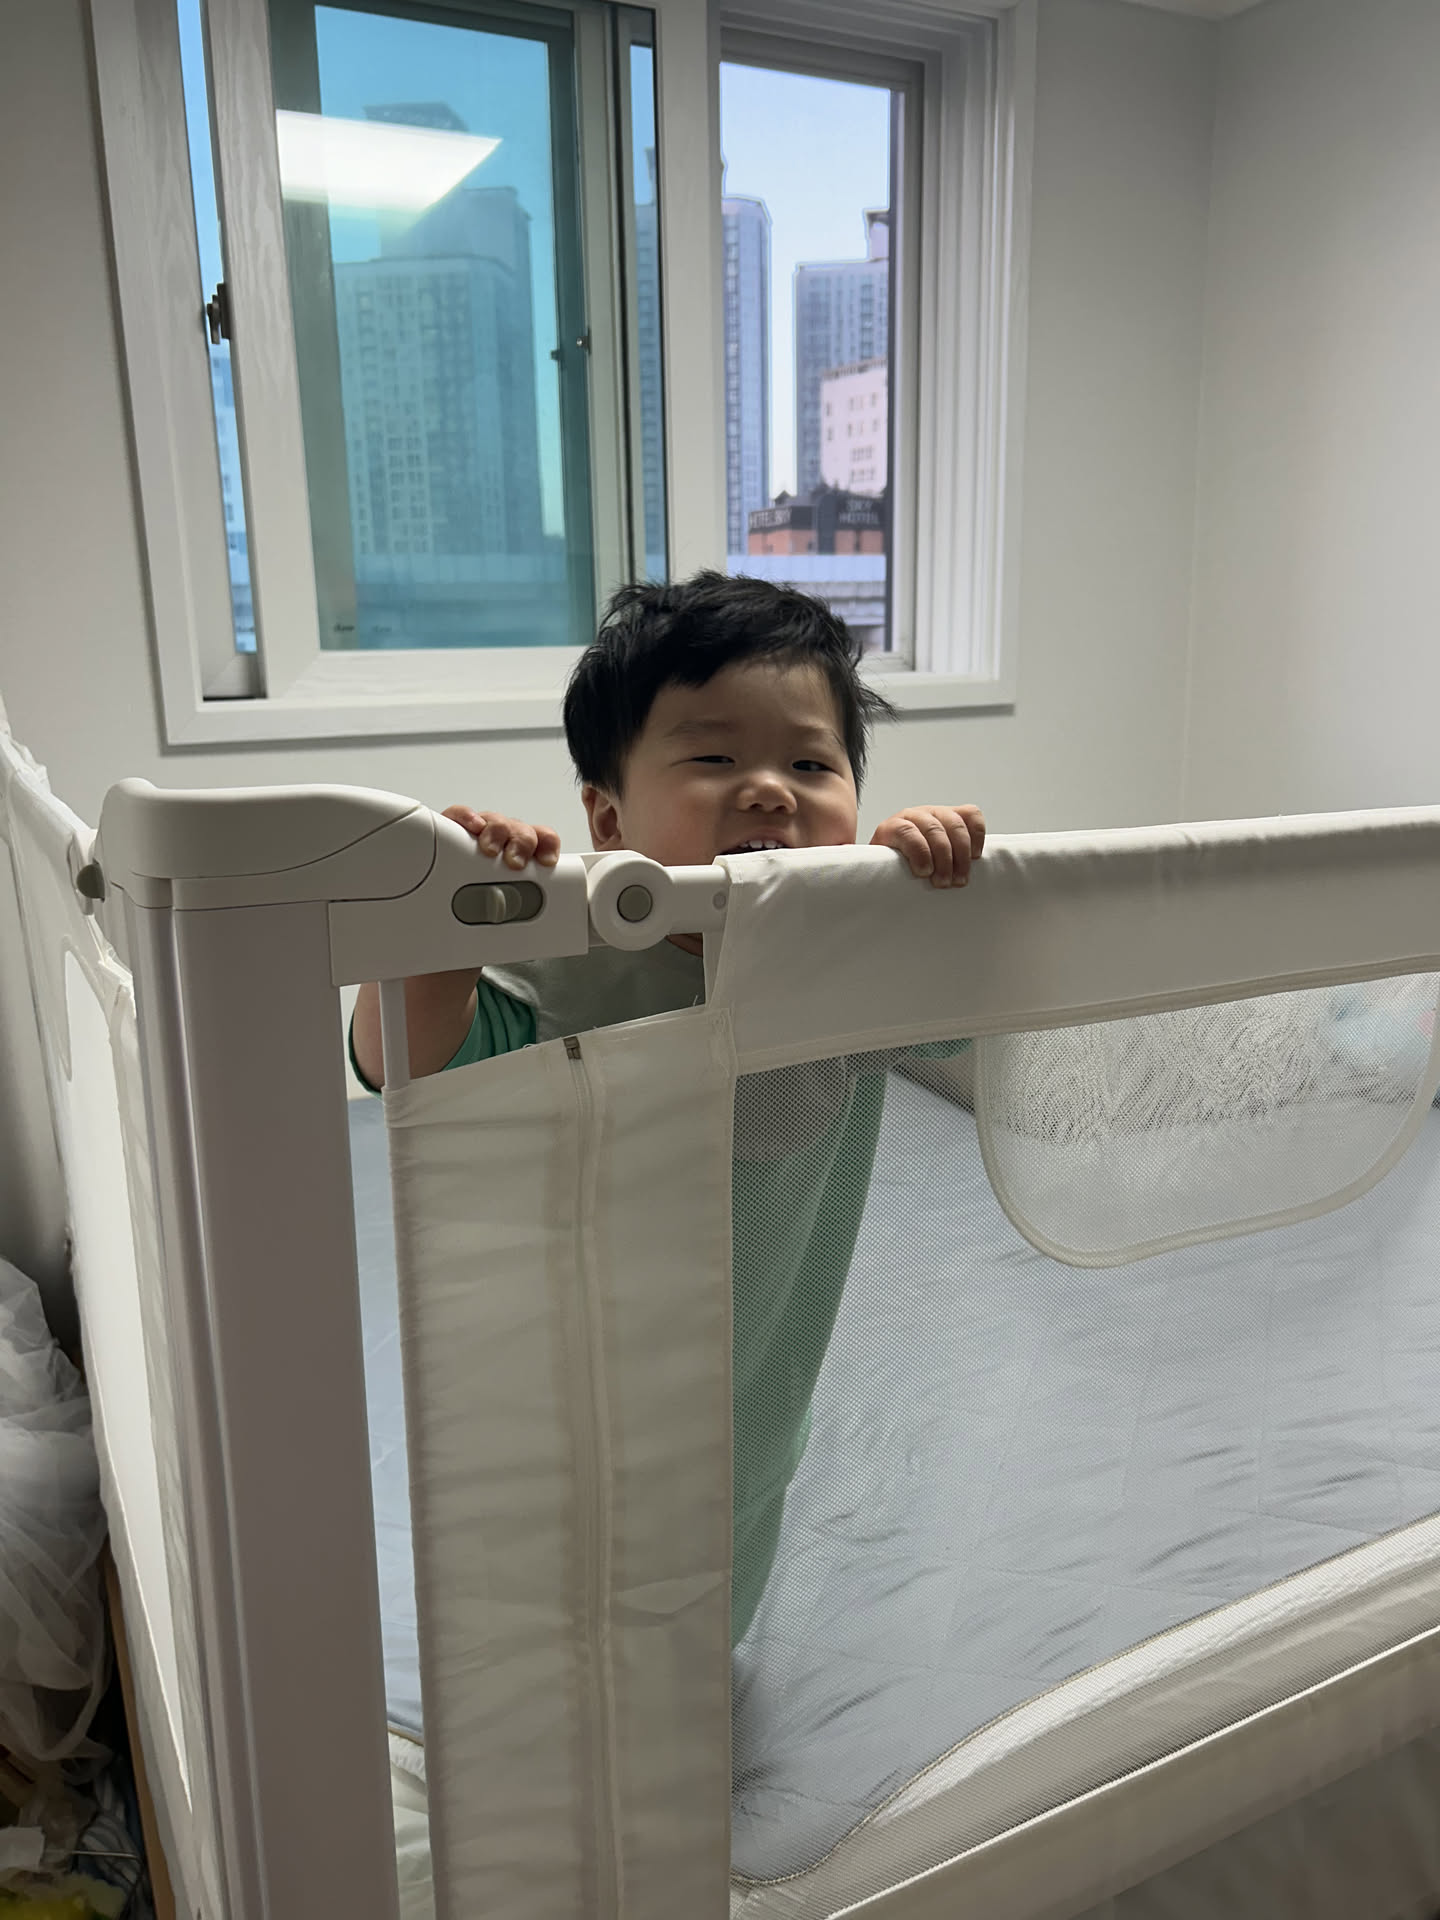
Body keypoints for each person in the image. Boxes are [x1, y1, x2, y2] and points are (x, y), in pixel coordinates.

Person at [352, 570, 984, 1641]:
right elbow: (401, 1062)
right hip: (571, 1391)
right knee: (563, 1609)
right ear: (607, 817)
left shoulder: (856, 960)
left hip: (756, 1381)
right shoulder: (568, 959)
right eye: (714, 759)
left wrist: (923, 896)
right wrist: (445, 923)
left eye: (811, 764)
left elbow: (964, 1020)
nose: (770, 790)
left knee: (715, 1589)